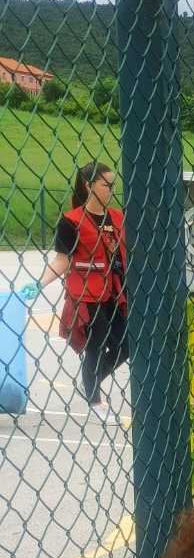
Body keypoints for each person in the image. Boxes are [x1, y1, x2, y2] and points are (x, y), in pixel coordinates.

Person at [31, 162, 127, 419]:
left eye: (113, 185)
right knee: (96, 343)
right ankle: (95, 402)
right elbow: (62, 260)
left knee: (126, 343)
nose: (111, 190)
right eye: (106, 185)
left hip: (114, 292)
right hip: (87, 292)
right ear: (89, 186)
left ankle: (90, 382)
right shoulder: (71, 221)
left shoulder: (117, 217)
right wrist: (40, 283)